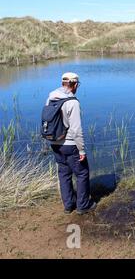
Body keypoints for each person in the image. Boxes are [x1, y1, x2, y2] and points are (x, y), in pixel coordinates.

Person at [46, 72, 96, 215]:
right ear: (74, 85)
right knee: (82, 173)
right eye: (77, 85)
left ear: (63, 83)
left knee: (64, 174)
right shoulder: (72, 102)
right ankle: (83, 205)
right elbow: (76, 130)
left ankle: (68, 205)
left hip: (55, 143)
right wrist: (81, 150)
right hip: (70, 144)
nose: (77, 88)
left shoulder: (50, 98)